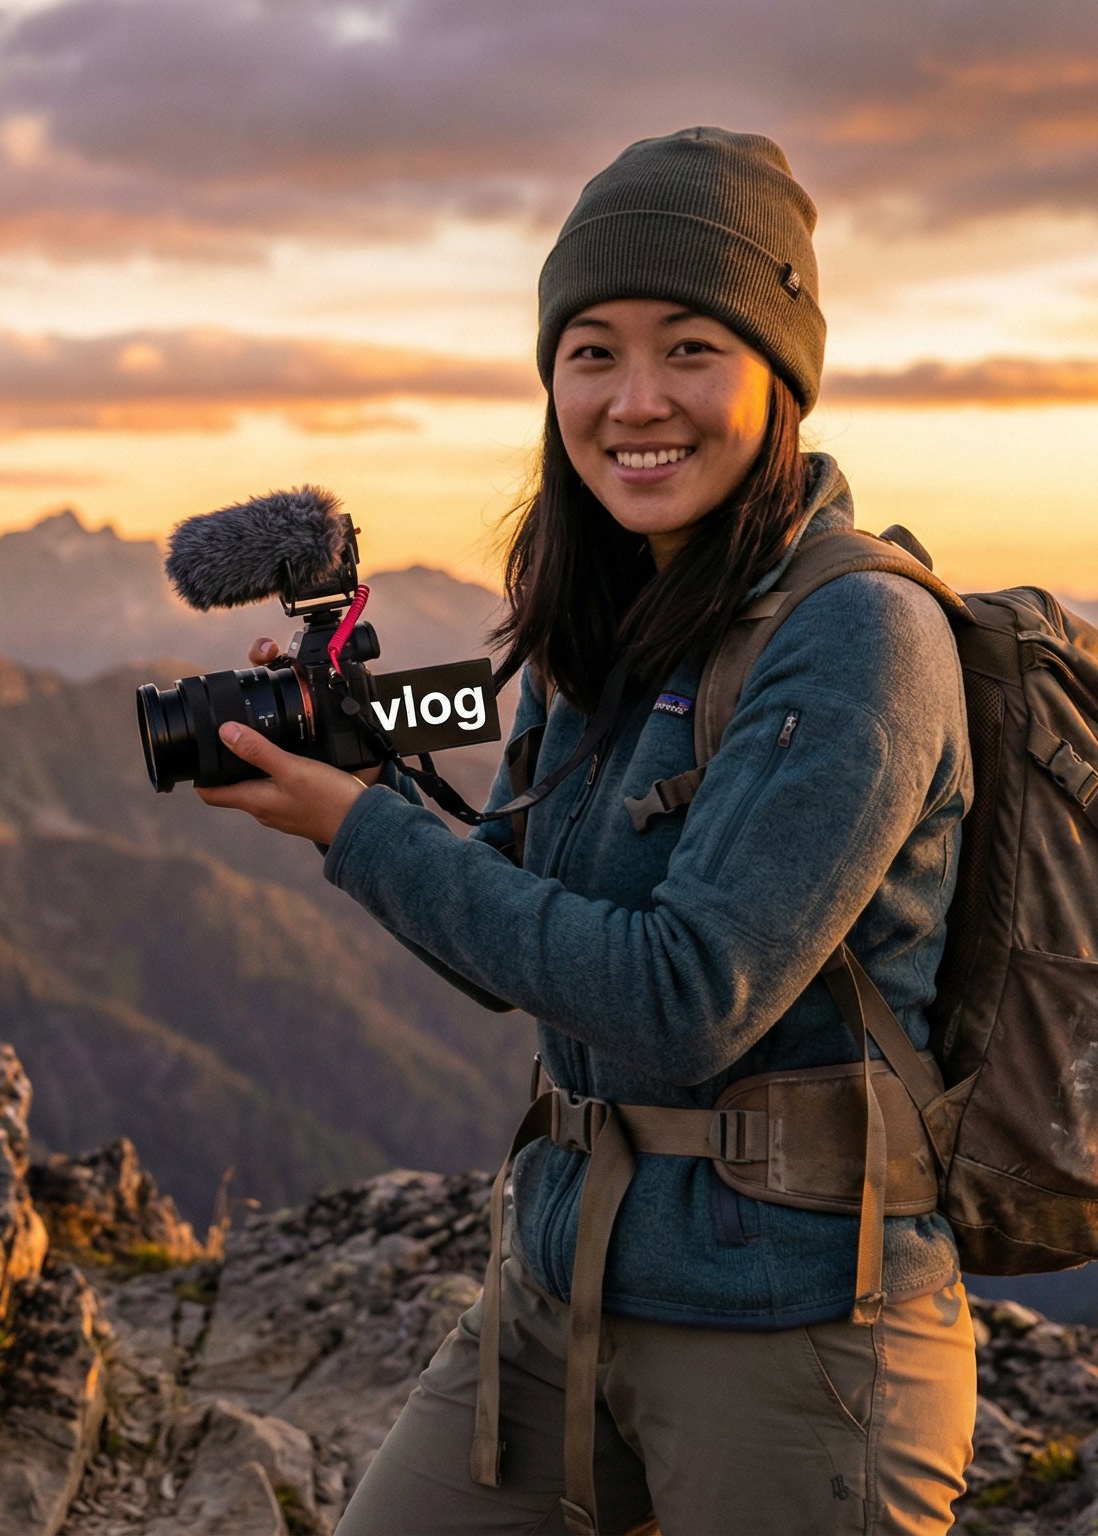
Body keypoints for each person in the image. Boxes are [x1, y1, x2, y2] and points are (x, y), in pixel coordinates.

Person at [194, 127, 977, 1535]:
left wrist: (358, 827)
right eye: (592, 353)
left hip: (794, 1334)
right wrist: (343, 790)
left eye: (691, 350)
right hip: (560, 1289)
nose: (635, 400)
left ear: (779, 377)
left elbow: (684, 999)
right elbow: (504, 937)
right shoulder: (602, 612)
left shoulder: (858, 635)